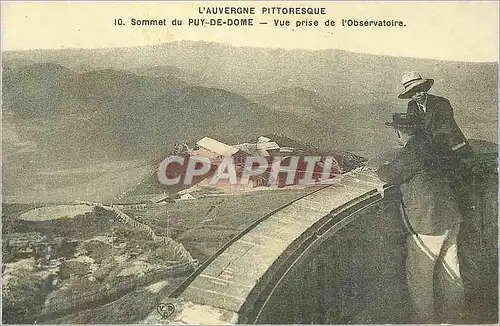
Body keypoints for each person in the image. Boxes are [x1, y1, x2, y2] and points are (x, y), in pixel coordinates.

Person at [377, 113, 464, 323]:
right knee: (451, 274)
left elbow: (390, 175)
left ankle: (425, 322)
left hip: (428, 224)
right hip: (450, 218)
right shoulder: (433, 145)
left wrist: (380, 168)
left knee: (420, 279)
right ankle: (456, 320)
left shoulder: (412, 151)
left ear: (399, 132)